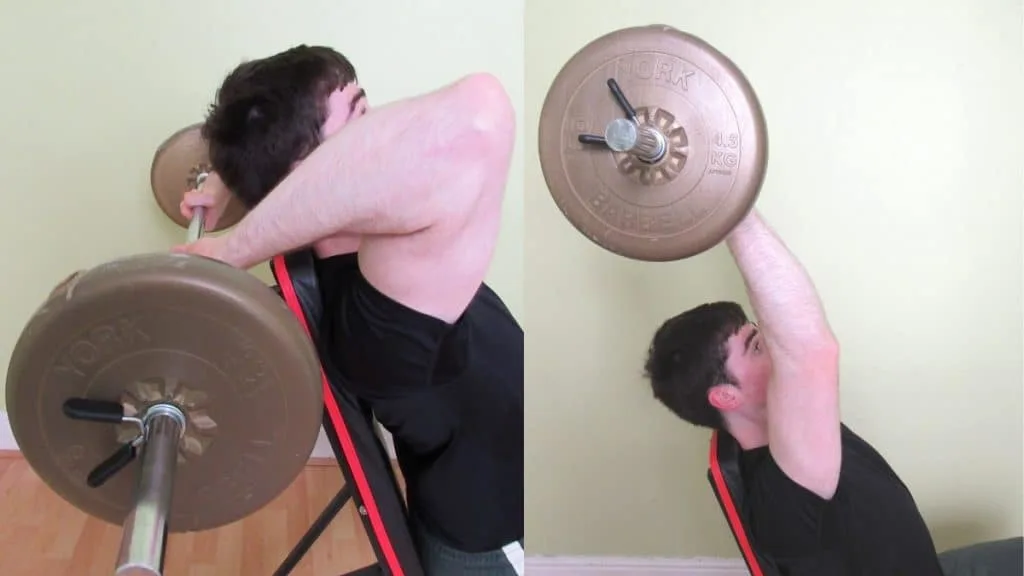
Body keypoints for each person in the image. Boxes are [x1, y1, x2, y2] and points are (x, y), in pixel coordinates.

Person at [172, 45, 524, 575]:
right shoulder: (380, 305)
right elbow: (478, 115)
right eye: (360, 117)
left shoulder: (373, 253)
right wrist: (234, 247)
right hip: (501, 548)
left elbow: (354, 157)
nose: (382, 130)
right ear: (309, 173)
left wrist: (232, 177)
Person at [643, 210, 944, 575]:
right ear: (726, 396)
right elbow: (811, 351)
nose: (774, 343)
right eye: (755, 346)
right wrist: (728, 203)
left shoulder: (786, 432)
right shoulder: (783, 499)